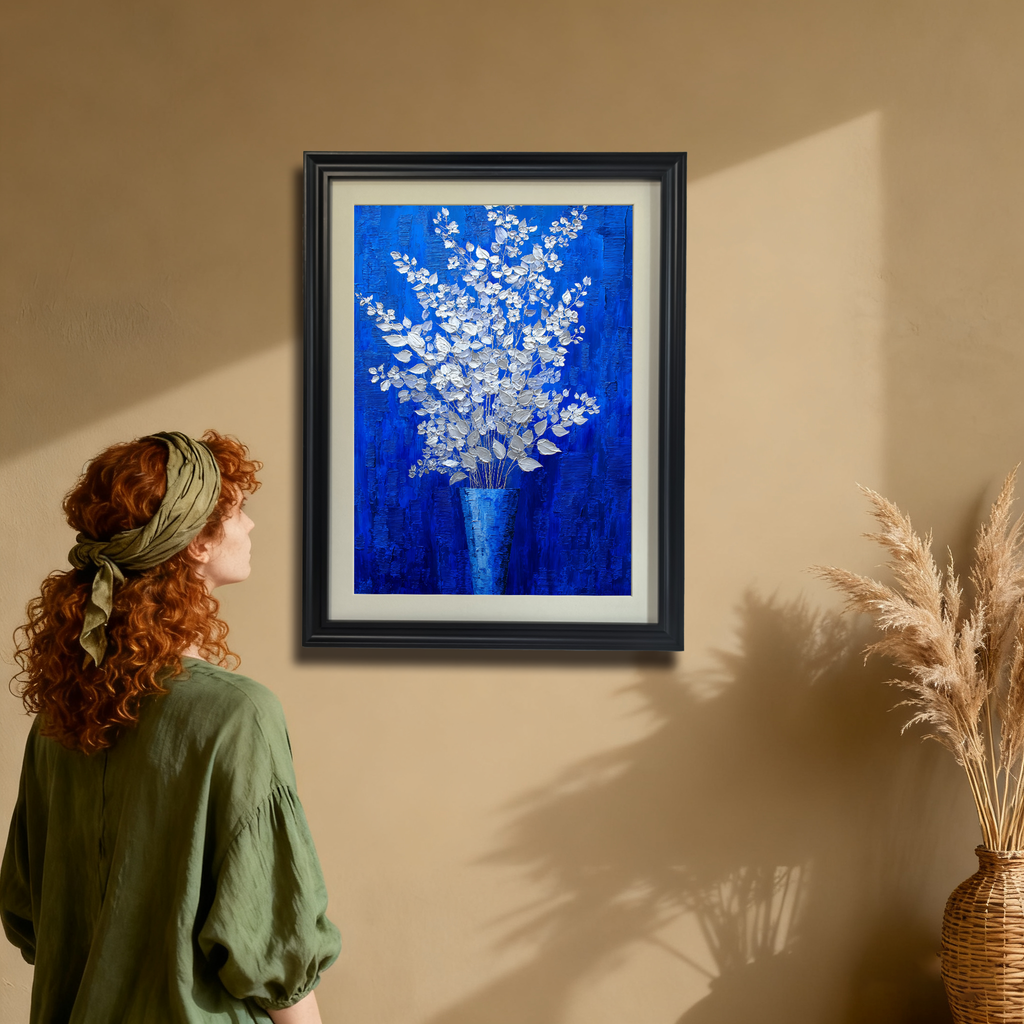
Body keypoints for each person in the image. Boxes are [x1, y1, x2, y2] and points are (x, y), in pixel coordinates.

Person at [1, 431, 340, 1023]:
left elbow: (30, 914)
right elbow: (271, 946)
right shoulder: (238, 713)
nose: (251, 528)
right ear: (197, 546)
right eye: (237, 511)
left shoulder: (60, 713)